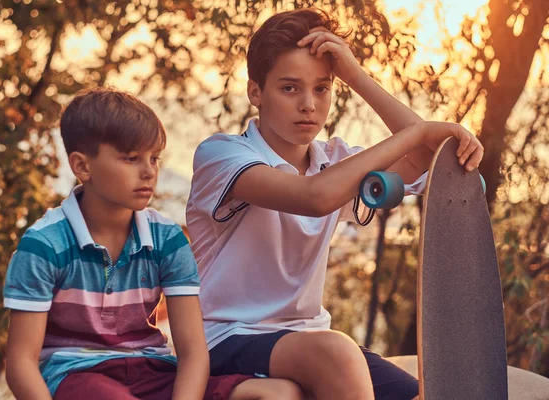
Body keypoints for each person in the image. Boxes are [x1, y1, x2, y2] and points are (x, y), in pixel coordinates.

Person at [186, 8, 484, 400]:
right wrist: (418, 131)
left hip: (308, 340)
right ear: (255, 91)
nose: (309, 105)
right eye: (290, 88)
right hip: (227, 338)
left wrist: (357, 77)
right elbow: (314, 198)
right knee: (335, 350)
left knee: (423, 393)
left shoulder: (334, 163)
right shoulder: (222, 156)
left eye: (322, 88)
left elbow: (435, 162)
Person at [3, 87, 303, 400]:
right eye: (131, 159)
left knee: (279, 392)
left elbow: (193, 353)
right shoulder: (43, 246)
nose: (148, 172)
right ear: (82, 167)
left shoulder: (167, 239)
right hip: (76, 375)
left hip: (153, 370)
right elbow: (21, 363)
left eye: (154, 159)